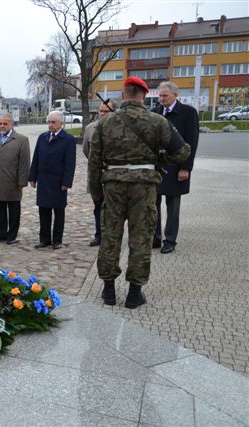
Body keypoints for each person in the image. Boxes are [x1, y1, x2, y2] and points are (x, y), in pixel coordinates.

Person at [88, 77, 190, 309]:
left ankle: (109, 291)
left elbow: (94, 162)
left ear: (123, 96)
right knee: (141, 238)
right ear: (144, 97)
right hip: (143, 188)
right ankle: (134, 294)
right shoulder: (158, 121)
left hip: (113, 186)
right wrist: (159, 159)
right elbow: (182, 151)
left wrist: (96, 194)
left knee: (110, 237)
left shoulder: (105, 123)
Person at [152, 81, 199, 254]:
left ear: (175, 95)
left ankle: (170, 240)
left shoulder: (188, 113)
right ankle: (155, 238)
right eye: (160, 96)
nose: (161, 99)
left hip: (177, 167)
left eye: (165, 96)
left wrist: (186, 168)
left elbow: (191, 142)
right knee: (153, 204)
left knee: (173, 206)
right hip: (157, 167)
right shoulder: (155, 113)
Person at [29, 111, 76, 250]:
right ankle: (44, 239)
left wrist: (67, 182)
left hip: (58, 181)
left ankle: (57, 240)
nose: (50, 125)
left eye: (53, 122)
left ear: (61, 123)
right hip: (44, 180)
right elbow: (36, 157)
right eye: (48, 122)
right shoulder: (42, 137)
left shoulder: (68, 139)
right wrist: (32, 177)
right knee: (43, 210)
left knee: (59, 211)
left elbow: (70, 163)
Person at [0, 112, 31, 245]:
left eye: (5, 123)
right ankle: (1, 232)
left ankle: (12, 234)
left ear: (11, 124)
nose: (2, 126)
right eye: (0, 123)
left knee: (14, 209)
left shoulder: (21, 140)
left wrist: (22, 181)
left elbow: (24, 163)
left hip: (12, 181)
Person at [82, 99, 118, 246]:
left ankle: (112, 236)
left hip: (114, 175)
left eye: (106, 111)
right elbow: (86, 150)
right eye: (100, 111)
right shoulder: (90, 128)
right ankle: (99, 235)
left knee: (114, 208)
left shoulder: (119, 128)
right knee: (98, 207)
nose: (102, 114)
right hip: (97, 175)